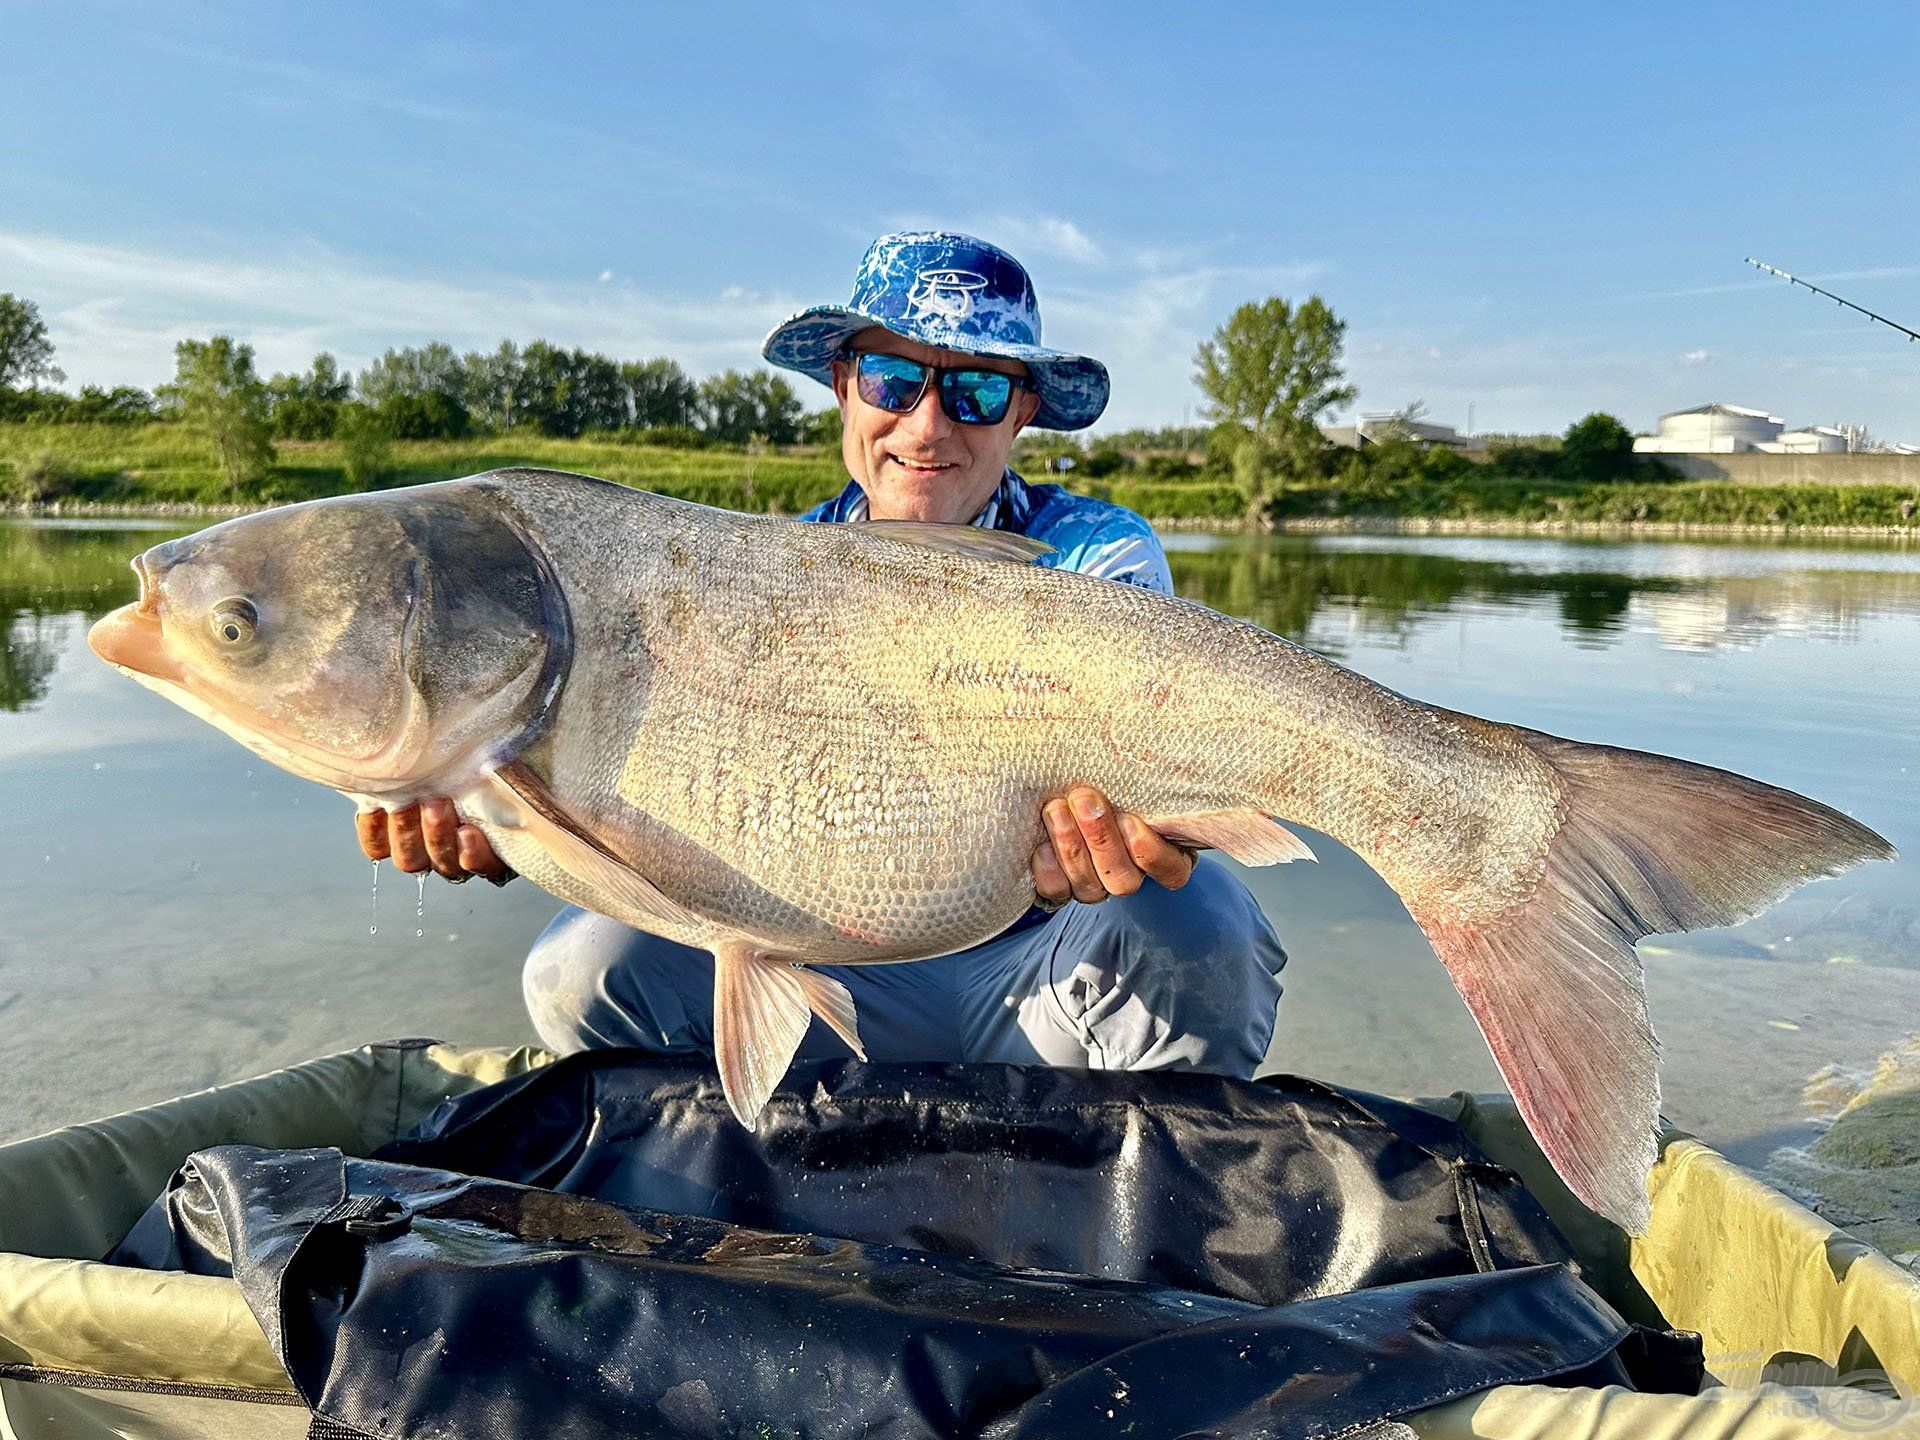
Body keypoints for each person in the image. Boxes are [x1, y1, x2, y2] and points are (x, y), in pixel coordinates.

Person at [358, 231, 1287, 1077]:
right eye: (892, 380)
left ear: (1023, 412)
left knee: (1207, 922)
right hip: (835, 984)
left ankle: (1140, 1193)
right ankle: (770, 1172)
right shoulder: (755, 575)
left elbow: (1146, 805)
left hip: (1049, 985)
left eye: (975, 390)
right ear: (844, 385)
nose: (928, 427)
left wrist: (1125, 831)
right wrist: (514, 822)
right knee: (583, 969)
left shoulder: (1098, 557)